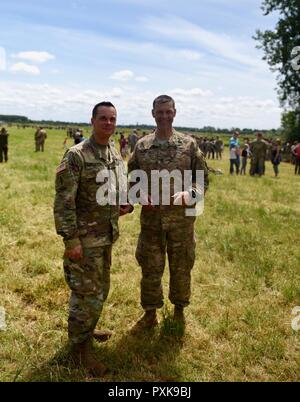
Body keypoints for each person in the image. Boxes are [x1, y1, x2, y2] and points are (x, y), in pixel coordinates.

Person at [54, 101, 131, 376]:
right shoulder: (77, 155)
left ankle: (87, 330)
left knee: (99, 290)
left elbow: (114, 187)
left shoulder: (112, 151)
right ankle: (78, 351)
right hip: (85, 240)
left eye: (112, 119)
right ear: (92, 120)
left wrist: (123, 203)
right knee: (85, 293)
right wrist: (71, 240)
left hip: (106, 235)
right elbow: (64, 201)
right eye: (103, 118)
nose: (108, 123)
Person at [128, 95, 209, 332]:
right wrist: (138, 194)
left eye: (168, 111)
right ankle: (150, 314)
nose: (164, 116)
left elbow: (202, 180)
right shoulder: (142, 146)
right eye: (159, 112)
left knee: (181, 266)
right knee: (150, 268)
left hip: (181, 222)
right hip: (151, 221)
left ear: (175, 113)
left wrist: (190, 195)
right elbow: (132, 179)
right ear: (153, 113)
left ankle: (179, 312)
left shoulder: (189, 145)